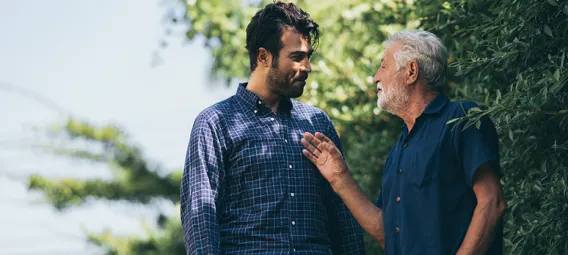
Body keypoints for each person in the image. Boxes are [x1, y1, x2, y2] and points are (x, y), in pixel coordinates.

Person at [180, 2, 365, 254]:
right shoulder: (215, 122)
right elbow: (200, 216)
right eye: (297, 57)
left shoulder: (317, 123)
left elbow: (342, 213)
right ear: (263, 56)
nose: (307, 67)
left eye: (308, 56)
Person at [301, 30, 507, 255]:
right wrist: (339, 178)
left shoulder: (462, 118)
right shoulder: (397, 152)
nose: (376, 77)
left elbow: (492, 203)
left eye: (384, 66)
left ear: (411, 71)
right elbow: (385, 234)